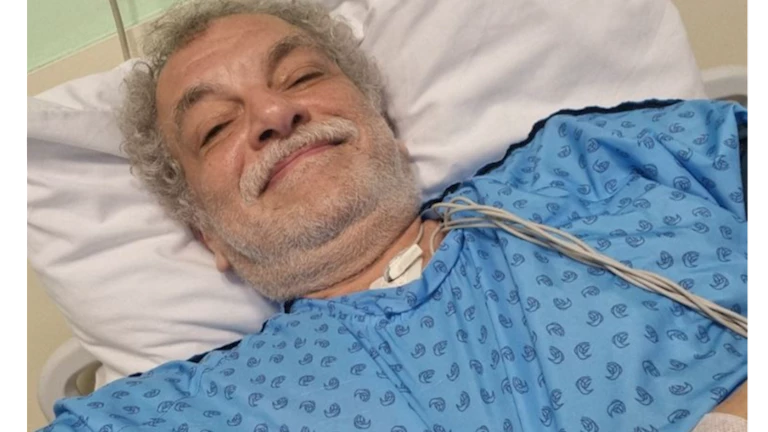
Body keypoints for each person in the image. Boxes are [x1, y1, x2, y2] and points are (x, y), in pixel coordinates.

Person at [41, 0, 749, 431]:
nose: (274, 113)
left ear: (385, 125)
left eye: (301, 76)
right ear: (209, 236)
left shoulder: (595, 165)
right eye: (216, 128)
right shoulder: (190, 408)